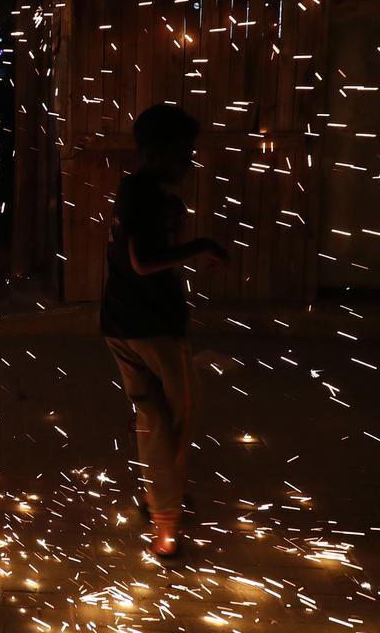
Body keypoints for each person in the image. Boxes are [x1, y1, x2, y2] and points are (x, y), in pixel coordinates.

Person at [100, 104, 228, 560]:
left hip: (120, 322)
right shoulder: (147, 197)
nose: (189, 163)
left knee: (150, 417)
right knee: (177, 418)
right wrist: (201, 246)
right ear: (156, 153)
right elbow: (143, 261)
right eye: (182, 154)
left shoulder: (136, 189)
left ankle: (161, 501)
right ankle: (167, 524)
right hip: (151, 327)